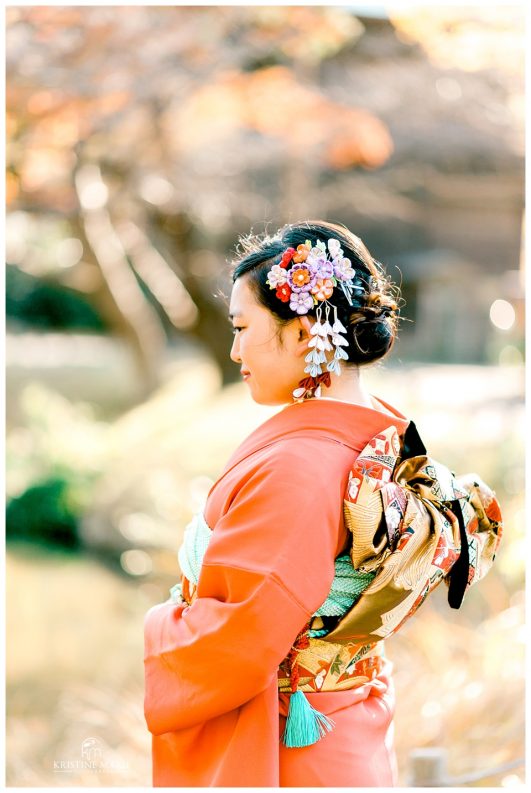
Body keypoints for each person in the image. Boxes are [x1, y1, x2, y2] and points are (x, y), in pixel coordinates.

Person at [143, 220, 499, 787]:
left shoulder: (297, 468)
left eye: (241, 328)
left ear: (307, 331)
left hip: (288, 749)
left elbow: (240, 638)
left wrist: (160, 623)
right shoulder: (379, 434)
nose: (234, 349)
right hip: (348, 721)